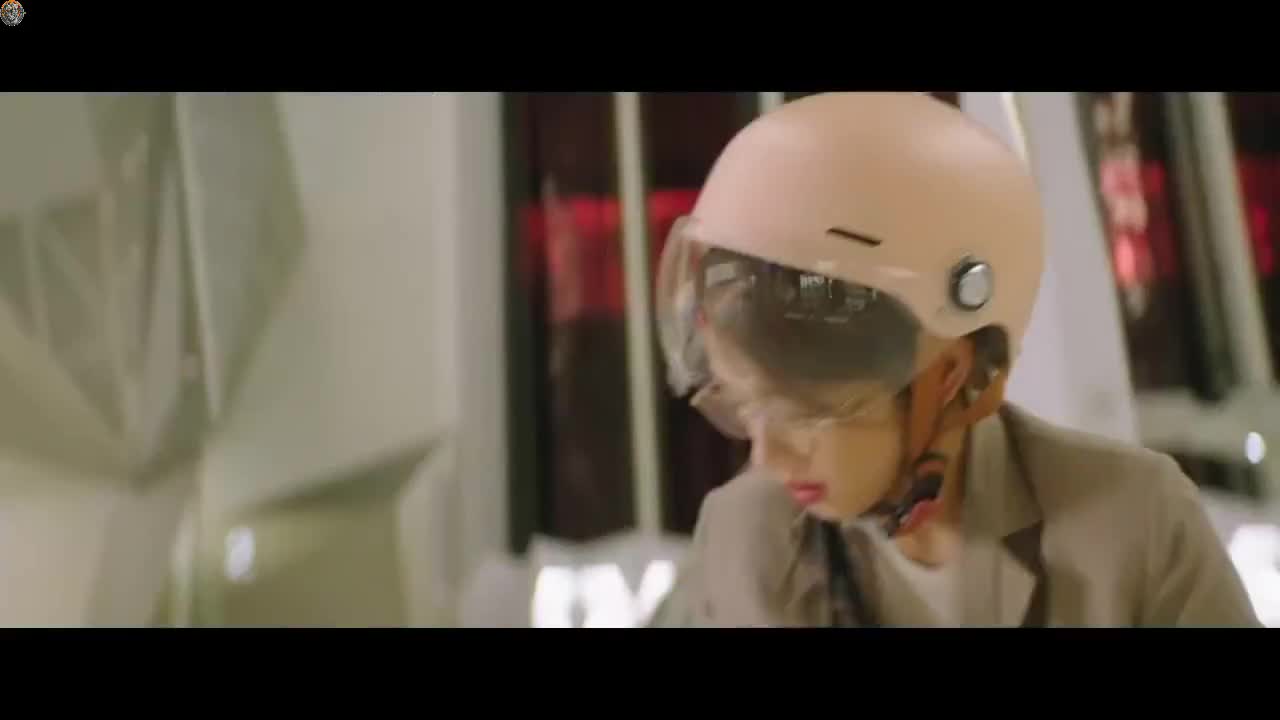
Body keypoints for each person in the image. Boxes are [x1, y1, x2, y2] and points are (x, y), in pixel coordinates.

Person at [646, 92, 1261, 628]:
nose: (769, 458)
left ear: (951, 372)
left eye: (807, 414)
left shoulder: (1133, 525)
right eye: (749, 408)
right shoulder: (744, 537)